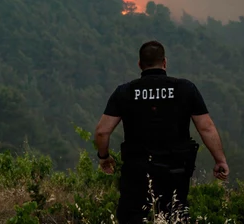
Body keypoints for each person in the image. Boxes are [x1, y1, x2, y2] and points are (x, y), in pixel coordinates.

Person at [94, 40, 229, 223]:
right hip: (176, 171)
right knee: (175, 216)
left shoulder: (125, 91)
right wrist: (220, 160)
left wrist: (104, 157)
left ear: (140, 64)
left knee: (132, 217)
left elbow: (102, 131)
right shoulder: (185, 88)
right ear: (164, 62)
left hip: (137, 171)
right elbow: (206, 127)